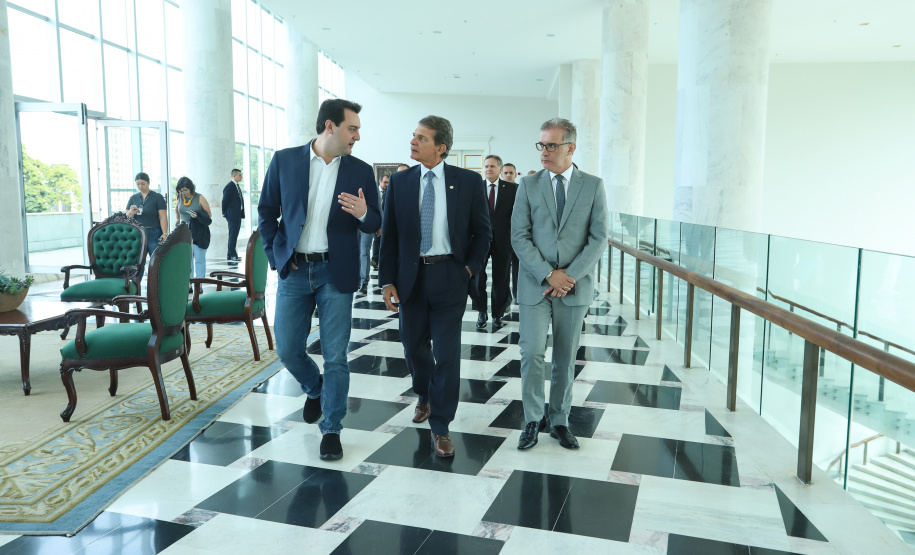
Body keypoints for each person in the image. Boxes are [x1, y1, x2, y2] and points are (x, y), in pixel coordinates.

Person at [258, 99, 381, 461]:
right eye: (352, 128)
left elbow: (376, 221)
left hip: (335, 272)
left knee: (336, 356)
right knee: (288, 349)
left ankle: (332, 428)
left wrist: (364, 214)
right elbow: (267, 213)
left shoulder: (359, 170)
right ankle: (315, 388)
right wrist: (276, 255)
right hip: (295, 270)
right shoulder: (285, 160)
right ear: (330, 127)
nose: (357, 135)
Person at [379, 116, 491, 458]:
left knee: (447, 354)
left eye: (421, 138)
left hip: (449, 277)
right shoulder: (400, 182)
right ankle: (424, 393)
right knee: (413, 347)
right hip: (411, 279)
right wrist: (386, 281)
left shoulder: (468, 182)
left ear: (440, 147)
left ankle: (440, 426)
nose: (413, 142)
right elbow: (391, 236)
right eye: (413, 136)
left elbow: (483, 232)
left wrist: (468, 270)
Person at [511, 117, 608, 451]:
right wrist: (547, 274)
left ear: (571, 147)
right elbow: (518, 236)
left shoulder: (593, 186)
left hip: (573, 287)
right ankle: (532, 420)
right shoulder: (528, 185)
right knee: (532, 353)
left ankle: (560, 421)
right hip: (535, 285)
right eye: (541, 145)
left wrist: (568, 276)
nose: (544, 152)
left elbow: (598, 238)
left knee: (565, 358)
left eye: (551, 145)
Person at [470, 155, 516, 329]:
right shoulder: (475, 188)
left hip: (503, 241)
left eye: (492, 166)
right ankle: (481, 312)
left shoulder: (511, 189)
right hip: (479, 241)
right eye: (486, 166)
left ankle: (498, 314)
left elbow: (516, 216)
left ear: (499, 169)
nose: (489, 169)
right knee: (478, 278)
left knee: (501, 279)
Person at [125, 172, 168, 279]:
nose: (140, 186)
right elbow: (127, 217)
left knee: (157, 262)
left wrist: (165, 233)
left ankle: (157, 288)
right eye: (138, 184)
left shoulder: (157, 197)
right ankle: (136, 288)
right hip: (138, 234)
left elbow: (163, 216)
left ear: (149, 183)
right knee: (139, 263)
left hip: (154, 232)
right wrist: (131, 212)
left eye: (143, 184)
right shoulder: (133, 198)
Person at [175, 177, 212, 278]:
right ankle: (189, 283)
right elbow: (177, 209)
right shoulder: (180, 197)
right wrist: (178, 219)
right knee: (187, 258)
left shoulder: (199, 197)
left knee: (199, 258)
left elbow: (209, 214)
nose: (183, 192)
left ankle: (199, 282)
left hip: (198, 229)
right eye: (181, 190)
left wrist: (197, 216)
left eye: (185, 190)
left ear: (191, 188)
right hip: (184, 229)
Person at [371, 164, 406, 270]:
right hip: (390, 226)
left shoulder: (415, 187)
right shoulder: (390, 190)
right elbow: (385, 210)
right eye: (399, 172)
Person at [359, 174, 388, 293]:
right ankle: (356, 279)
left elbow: (377, 205)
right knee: (354, 252)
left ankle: (364, 282)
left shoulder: (371, 184)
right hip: (350, 224)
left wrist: (380, 225)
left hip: (367, 223)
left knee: (364, 252)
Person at [502, 163, 521, 303]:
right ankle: (506, 297)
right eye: (506, 173)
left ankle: (517, 295)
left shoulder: (521, 189)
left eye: (511, 173)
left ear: (515, 174)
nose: (508, 175)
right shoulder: (497, 191)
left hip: (519, 237)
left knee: (518, 268)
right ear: (502, 174)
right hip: (503, 237)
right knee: (502, 272)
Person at [223, 169, 245, 262]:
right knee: (233, 234)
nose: (241, 177)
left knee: (235, 234)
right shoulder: (229, 186)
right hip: (232, 215)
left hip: (237, 215)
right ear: (234, 176)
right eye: (240, 175)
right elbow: (224, 201)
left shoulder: (236, 186)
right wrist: (224, 212)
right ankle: (232, 254)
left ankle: (231, 254)